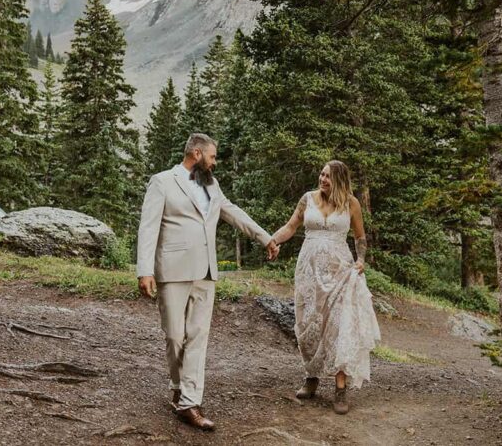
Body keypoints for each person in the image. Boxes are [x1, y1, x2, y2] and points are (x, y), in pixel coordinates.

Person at [136, 133, 279, 431]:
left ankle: (190, 402)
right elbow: (148, 227)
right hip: (172, 271)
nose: (215, 164)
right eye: (213, 157)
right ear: (198, 154)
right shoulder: (162, 181)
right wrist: (144, 270)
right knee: (174, 336)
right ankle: (177, 386)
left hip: (206, 272)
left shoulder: (212, 184)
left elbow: (232, 212)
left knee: (198, 337)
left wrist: (265, 237)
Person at [270, 160, 381, 414]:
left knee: (339, 324)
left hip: (339, 270)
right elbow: (290, 227)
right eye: (321, 174)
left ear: (339, 179)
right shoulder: (307, 199)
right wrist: (273, 240)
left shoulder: (351, 203)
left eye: (328, 176)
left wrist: (361, 259)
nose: (322, 179)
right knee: (308, 323)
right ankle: (312, 376)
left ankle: (340, 387)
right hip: (308, 270)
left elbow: (360, 237)